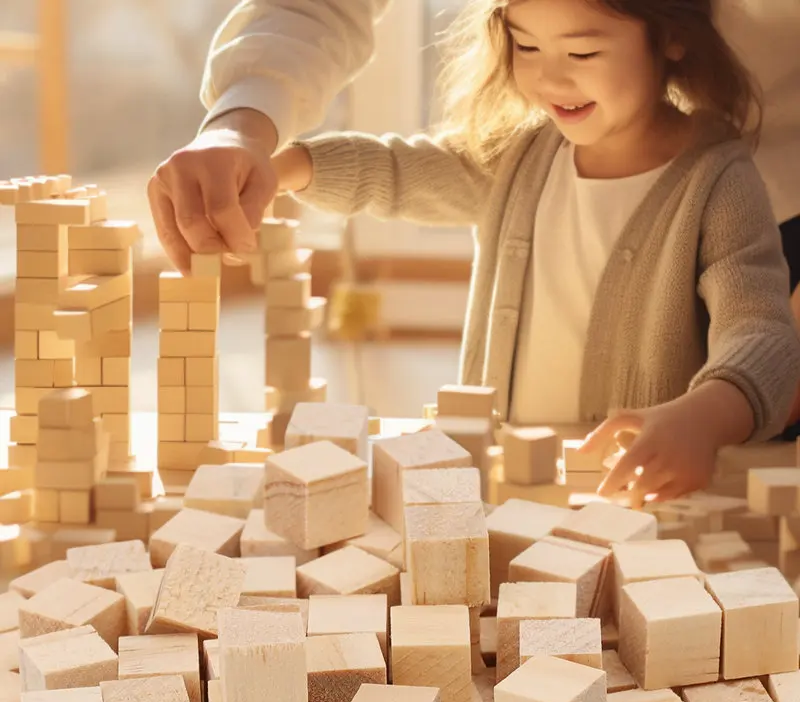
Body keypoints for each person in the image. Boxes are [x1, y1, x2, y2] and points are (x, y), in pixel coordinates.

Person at [148, 0, 800, 501]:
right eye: (526, 44)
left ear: (671, 36)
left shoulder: (723, 183)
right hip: (512, 484)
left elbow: (761, 332)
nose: (549, 76)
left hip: (626, 493)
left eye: (583, 51)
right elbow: (402, 172)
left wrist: (706, 417)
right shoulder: (519, 156)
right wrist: (282, 165)